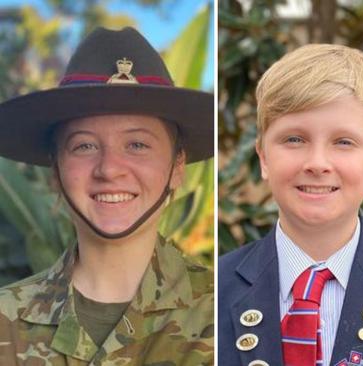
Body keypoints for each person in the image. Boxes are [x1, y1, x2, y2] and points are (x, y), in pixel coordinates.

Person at [0, 27, 214, 365]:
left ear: (177, 166)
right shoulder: (4, 321)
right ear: (56, 171)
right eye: (84, 145)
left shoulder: (226, 312)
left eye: (137, 145)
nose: (110, 169)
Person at [218, 44, 363, 366]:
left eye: (343, 142)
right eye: (294, 139)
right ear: (263, 158)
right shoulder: (216, 289)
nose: (317, 163)